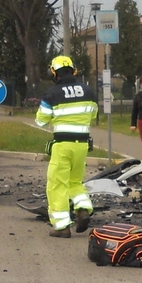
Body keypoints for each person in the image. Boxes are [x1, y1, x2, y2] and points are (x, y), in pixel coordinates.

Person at [35, 55, 98, 238]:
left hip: (62, 145)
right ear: (74, 71)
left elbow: (41, 120)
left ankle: (61, 226)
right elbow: (93, 115)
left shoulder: (52, 93)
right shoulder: (88, 91)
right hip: (83, 145)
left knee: (57, 185)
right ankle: (83, 208)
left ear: (54, 73)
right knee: (75, 182)